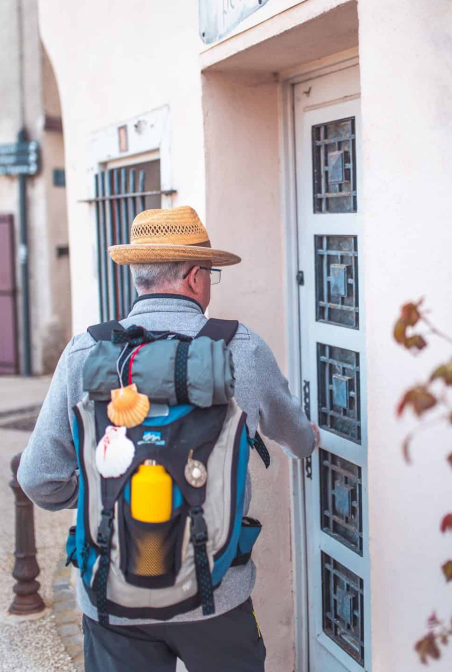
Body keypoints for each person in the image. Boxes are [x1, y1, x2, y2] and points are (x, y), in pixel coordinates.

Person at [18, 205, 319, 672]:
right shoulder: (240, 347)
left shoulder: (85, 352)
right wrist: (309, 439)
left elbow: (38, 479)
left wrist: (109, 487)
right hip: (215, 592)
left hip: (112, 596)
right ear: (195, 277)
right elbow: (297, 437)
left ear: (138, 277)